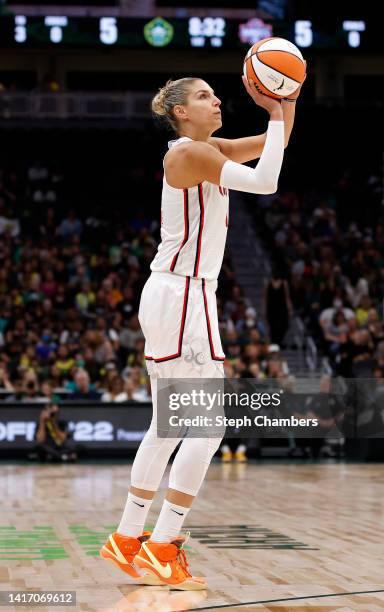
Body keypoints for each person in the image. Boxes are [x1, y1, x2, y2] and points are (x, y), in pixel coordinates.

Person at [100, 73, 304, 589]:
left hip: (177, 294)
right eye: (203, 96)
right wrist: (276, 110)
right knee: (207, 426)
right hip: (184, 294)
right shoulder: (189, 155)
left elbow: (276, 142)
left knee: (167, 426)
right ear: (180, 112)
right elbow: (266, 182)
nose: (217, 100)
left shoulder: (206, 149)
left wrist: (285, 104)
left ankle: (128, 539)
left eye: (215, 93)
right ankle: (163, 546)